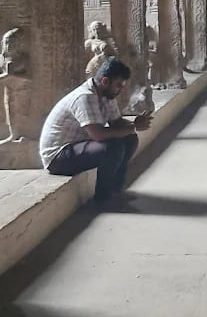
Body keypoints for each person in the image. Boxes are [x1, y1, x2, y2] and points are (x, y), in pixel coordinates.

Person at [39, 56, 153, 208]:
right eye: (119, 85)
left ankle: (115, 191)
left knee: (130, 139)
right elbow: (98, 134)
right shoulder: (85, 97)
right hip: (58, 156)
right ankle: (103, 198)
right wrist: (132, 127)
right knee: (113, 147)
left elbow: (117, 123)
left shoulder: (107, 94)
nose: (120, 90)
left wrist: (136, 123)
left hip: (78, 146)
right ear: (105, 81)